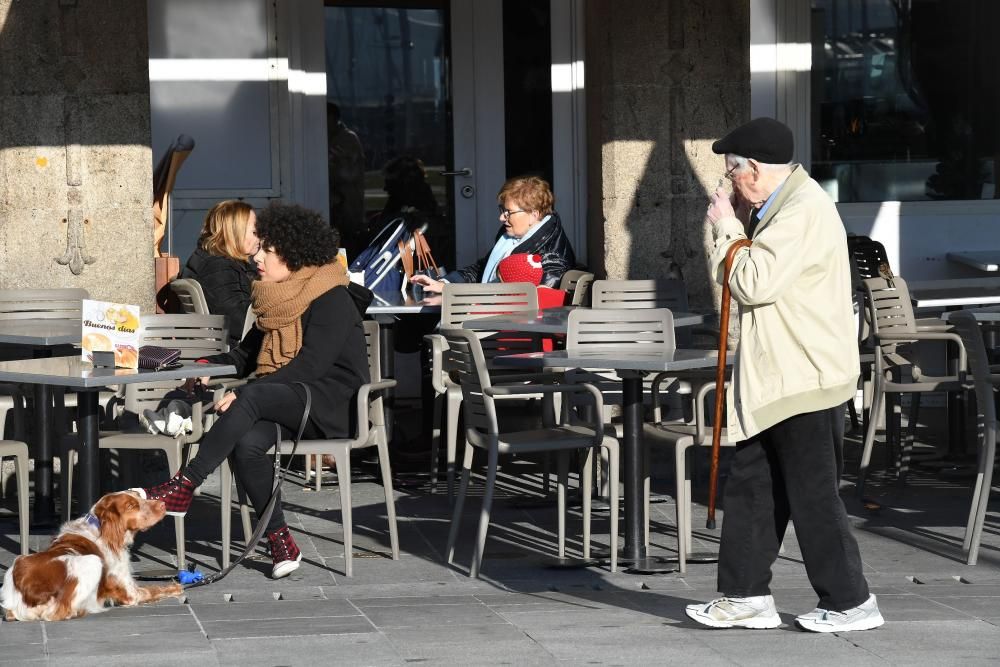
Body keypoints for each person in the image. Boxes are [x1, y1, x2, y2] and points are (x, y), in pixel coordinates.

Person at [685, 118, 884, 632]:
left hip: (802, 377)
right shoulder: (781, 207)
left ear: (751, 169)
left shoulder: (801, 209)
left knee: (812, 493)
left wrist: (726, 226)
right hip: (779, 377)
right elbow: (746, 277)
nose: (729, 183)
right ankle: (745, 596)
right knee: (753, 487)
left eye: (731, 173)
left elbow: (752, 283)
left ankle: (851, 602)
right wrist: (732, 229)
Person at [136, 203, 370, 579]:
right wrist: (205, 369)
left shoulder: (332, 298)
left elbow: (311, 367)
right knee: (246, 444)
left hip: (333, 404)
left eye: (267, 251)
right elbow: (244, 357)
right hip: (290, 400)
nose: (256, 257)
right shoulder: (275, 300)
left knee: (252, 397)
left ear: (292, 256)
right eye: (258, 248)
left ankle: (184, 484)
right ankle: (280, 541)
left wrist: (247, 392)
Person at [410, 176, 575, 291]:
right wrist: (445, 283)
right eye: (502, 210)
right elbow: (481, 269)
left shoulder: (551, 253)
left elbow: (533, 301)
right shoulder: (511, 238)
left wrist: (457, 295)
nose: (501, 217)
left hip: (512, 331)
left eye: (509, 212)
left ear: (534, 214)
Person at [181, 200, 258, 347]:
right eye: (254, 232)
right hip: (236, 351)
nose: (259, 238)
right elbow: (240, 323)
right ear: (235, 232)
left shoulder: (208, 260)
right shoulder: (219, 268)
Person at [327, 103, 366, 255]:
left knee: (347, 242)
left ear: (332, 118)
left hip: (346, 203)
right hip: (337, 202)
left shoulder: (346, 139)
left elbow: (350, 175)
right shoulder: (332, 137)